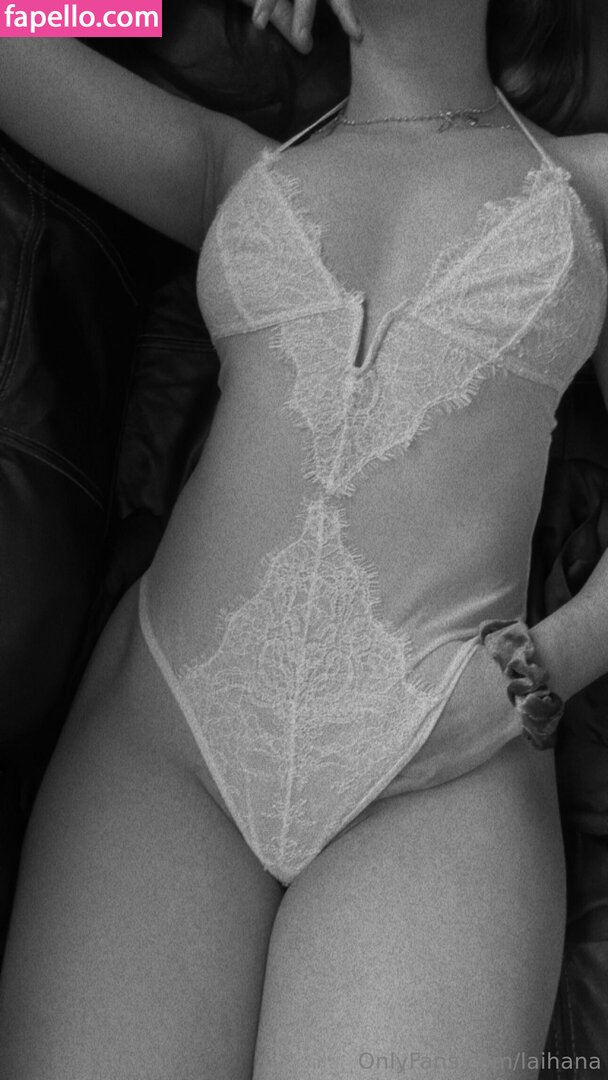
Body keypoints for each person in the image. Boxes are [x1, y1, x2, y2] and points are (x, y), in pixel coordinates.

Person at [1, 0, 608, 1076]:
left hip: (439, 756)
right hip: (169, 742)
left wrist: (535, 671)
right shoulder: (225, 168)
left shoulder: (589, 186)